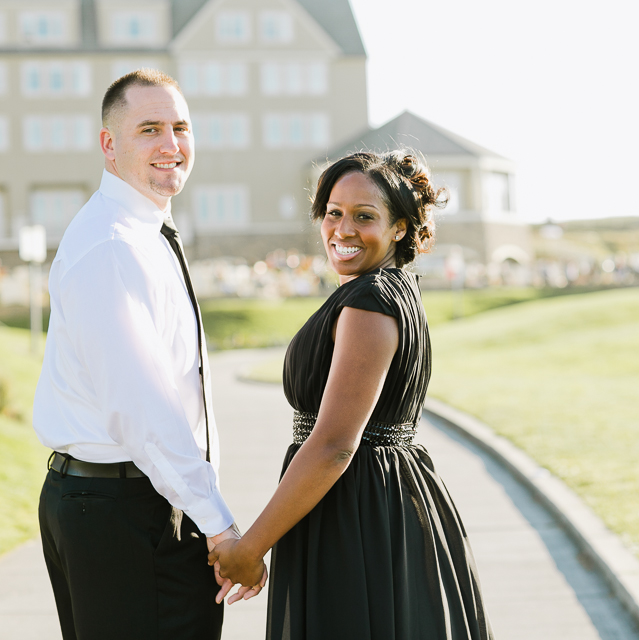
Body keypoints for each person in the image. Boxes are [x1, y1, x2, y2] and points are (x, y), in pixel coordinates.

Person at [208, 150, 494, 639]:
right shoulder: (393, 290)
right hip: (377, 501)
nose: (342, 229)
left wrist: (252, 547)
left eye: (364, 216)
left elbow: (336, 443)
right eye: (333, 212)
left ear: (400, 227)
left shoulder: (370, 302)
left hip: (356, 512)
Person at [33, 69, 262, 640]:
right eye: (150, 129)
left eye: (180, 127)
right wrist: (220, 527)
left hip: (131, 500)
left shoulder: (142, 232)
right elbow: (142, 408)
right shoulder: (113, 246)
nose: (171, 144)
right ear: (110, 145)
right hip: (121, 509)